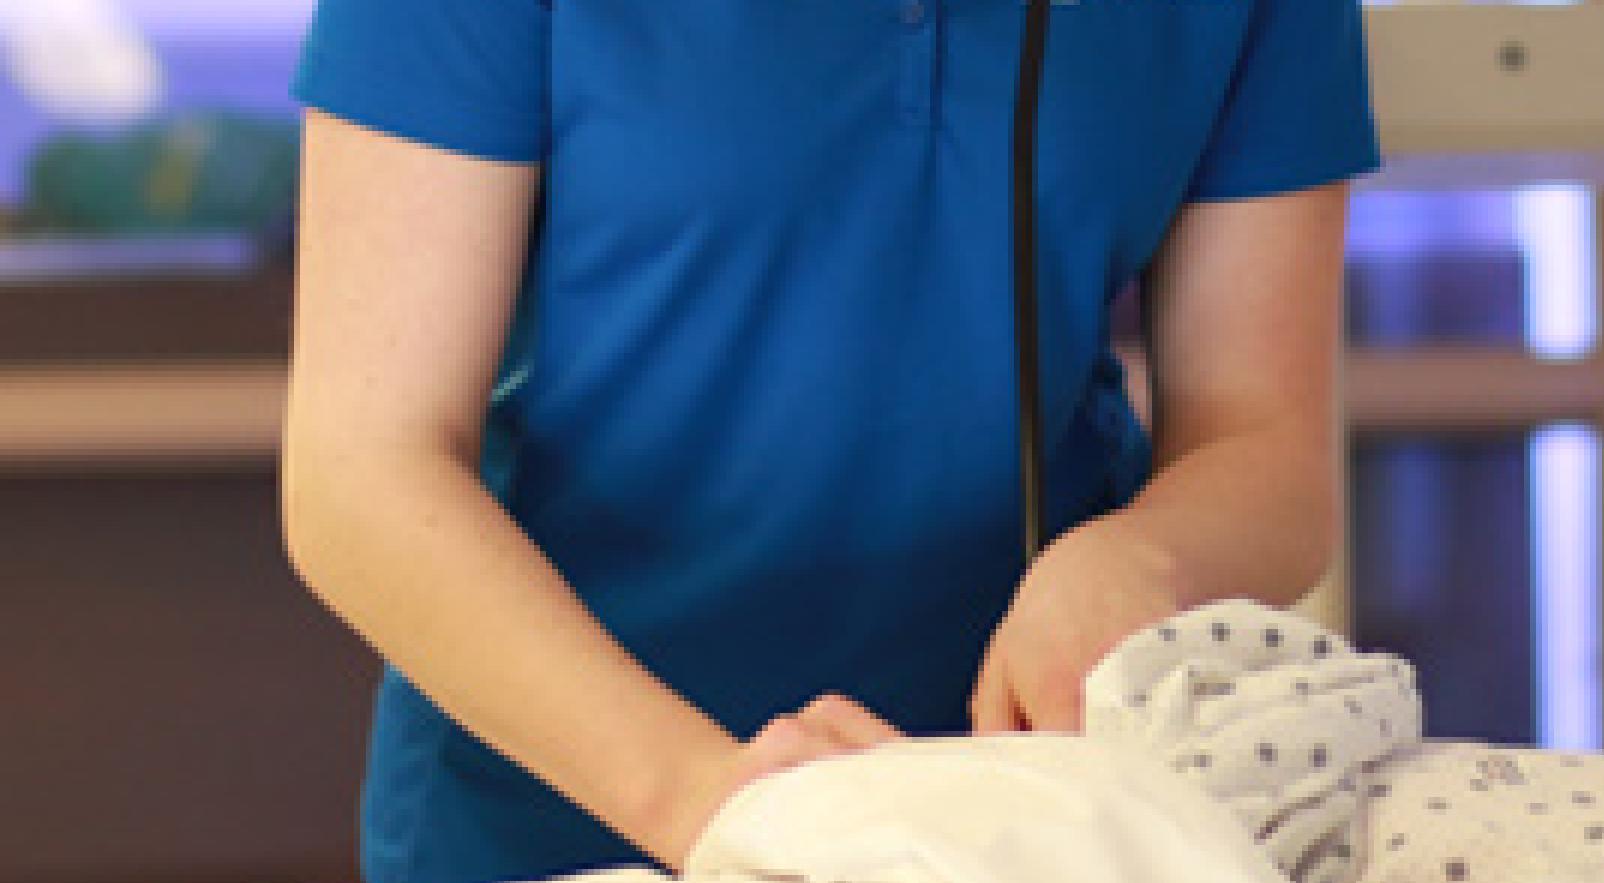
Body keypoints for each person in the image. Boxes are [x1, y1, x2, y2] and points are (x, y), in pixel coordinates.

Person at [276, 2, 1380, 882]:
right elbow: (361, 469)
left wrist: (1147, 556)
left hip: (1015, 809)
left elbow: (1265, 445)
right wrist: (723, 800)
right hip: (569, 803)